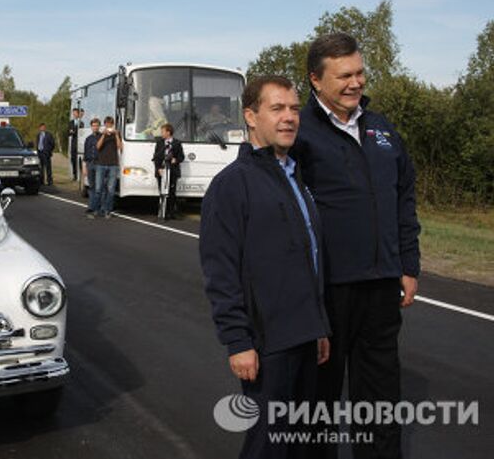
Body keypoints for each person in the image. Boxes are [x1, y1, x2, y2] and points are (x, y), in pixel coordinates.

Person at [292, 33, 421, 459]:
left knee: (381, 400)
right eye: (343, 75)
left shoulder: (381, 128)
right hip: (328, 289)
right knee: (319, 404)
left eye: (360, 72)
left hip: (381, 285)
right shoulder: (300, 132)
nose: (355, 82)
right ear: (315, 79)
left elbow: (404, 197)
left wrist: (408, 264)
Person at [200, 75, 330, 459]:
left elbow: (311, 259)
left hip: (307, 335)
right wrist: (238, 342)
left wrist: (319, 324)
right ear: (251, 117)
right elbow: (220, 272)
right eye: (277, 109)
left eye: (293, 109)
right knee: (269, 443)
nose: (289, 117)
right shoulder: (231, 185)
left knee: (303, 442)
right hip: (268, 343)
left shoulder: (297, 179)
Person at [89, 116, 123, 218]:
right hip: (101, 164)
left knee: (111, 190)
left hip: (113, 164)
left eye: (110, 124)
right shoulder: (100, 134)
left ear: (113, 125)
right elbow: (98, 147)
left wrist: (116, 135)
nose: (109, 126)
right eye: (107, 124)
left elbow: (120, 147)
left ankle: (107, 211)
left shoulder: (117, 134)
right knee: (98, 188)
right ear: (105, 124)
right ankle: (95, 210)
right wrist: (104, 135)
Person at [152, 123, 185, 219]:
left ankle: (172, 212)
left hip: (172, 171)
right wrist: (158, 168)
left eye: (163, 131)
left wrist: (176, 160)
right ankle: (162, 212)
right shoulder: (159, 143)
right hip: (162, 170)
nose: (161, 133)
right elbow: (156, 157)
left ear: (168, 132)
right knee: (162, 192)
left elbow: (181, 157)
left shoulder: (177, 143)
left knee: (171, 192)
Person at [83, 118, 101, 218]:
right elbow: (85, 154)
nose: (95, 127)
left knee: (99, 187)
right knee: (91, 186)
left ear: (99, 126)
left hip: (99, 164)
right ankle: (91, 206)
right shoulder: (88, 139)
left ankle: (97, 207)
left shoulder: (102, 137)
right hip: (90, 164)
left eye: (97, 125)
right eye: (93, 126)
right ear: (91, 127)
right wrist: (84, 167)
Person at [68, 108, 83, 181]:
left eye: (75, 113)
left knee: (79, 159)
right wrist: (72, 132)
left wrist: (73, 131)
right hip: (73, 143)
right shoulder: (71, 122)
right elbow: (69, 132)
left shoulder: (81, 123)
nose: (74, 115)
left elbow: (81, 132)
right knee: (73, 159)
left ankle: (80, 174)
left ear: (78, 114)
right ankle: (74, 175)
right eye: (73, 113)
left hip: (79, 142)